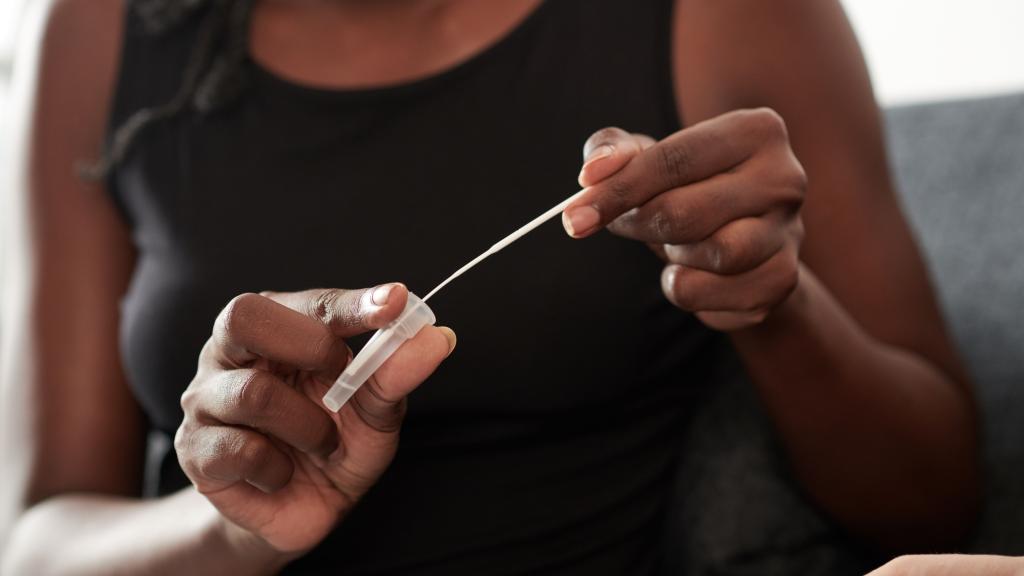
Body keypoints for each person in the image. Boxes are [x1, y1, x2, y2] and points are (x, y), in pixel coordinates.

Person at [0, 0, 982, 573]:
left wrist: (774, 304)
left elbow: (934, 505)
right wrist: (234, 517)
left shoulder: (721, 18)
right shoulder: (99, 32)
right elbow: (38, 544)